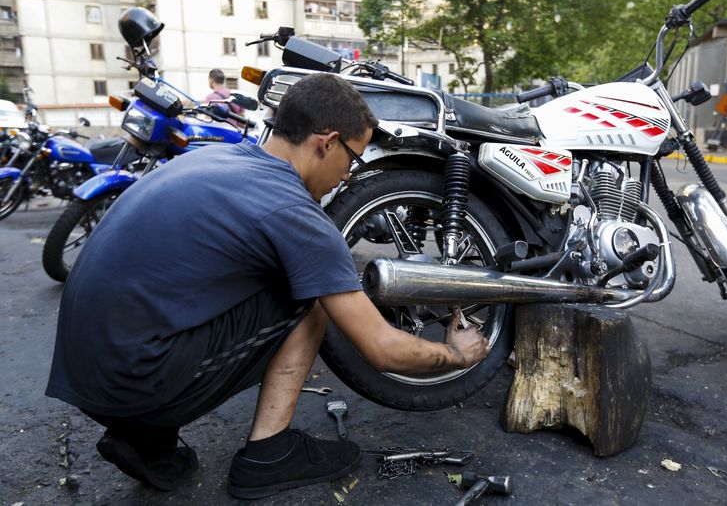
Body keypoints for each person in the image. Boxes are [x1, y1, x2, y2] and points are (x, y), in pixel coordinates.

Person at [45, 73, 490, 499]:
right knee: (314, 296)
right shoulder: (293, 211)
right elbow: (382, 350)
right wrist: (456, 354)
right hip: (129, 382)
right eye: (353, 161)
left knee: (256, 282)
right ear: (327, 142)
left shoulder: (215, 157)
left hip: (83, 368)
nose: (348, 178)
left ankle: (149, 440)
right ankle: (269, 454)